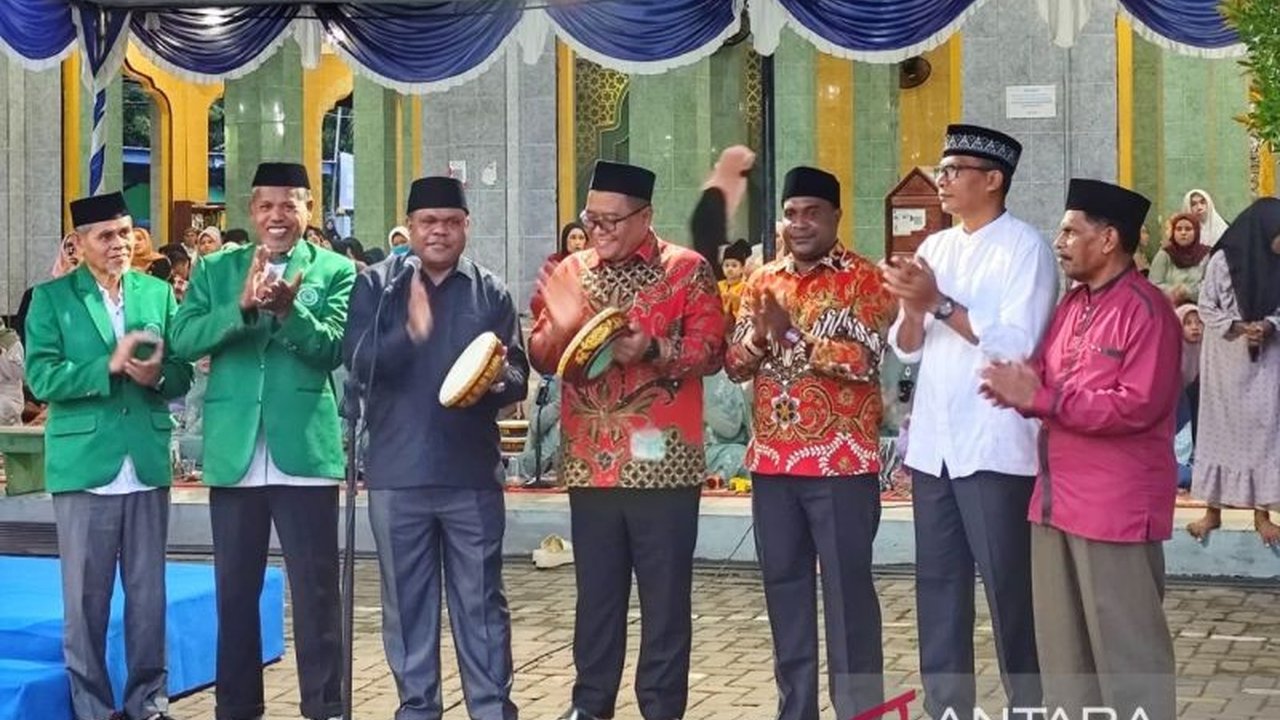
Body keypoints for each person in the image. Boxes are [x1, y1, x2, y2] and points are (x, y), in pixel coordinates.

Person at [528, 159, 728, 720]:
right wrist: (558, 328)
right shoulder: (571, 271)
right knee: (597, 598)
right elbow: (542, 359)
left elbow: (714, 351)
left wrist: (654, 350)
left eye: (613, 221)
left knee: (664, 601)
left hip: (664, 464)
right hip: (592, 463)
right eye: (593, 220)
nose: (601, 231)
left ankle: (661, 709)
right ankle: (589, 707)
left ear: (646, 217)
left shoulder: (687, 271)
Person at [981, 178, 1181, 720]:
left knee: (1128, 657)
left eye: (1071, 230)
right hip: (1054, 506)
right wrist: (1015, 386)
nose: (1060, 241)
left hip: (1114, 510)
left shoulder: (1149, 311)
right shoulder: (1071, 307)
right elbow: (1044, 381)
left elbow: (1135, 406)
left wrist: (1041, 396)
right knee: (1064, 658)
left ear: (1110, 238)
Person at [882, 124, 1056, 718]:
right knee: (938, 589)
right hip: (935, 446)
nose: (943, 180)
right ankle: (946, 706)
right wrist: (911, 305)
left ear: (993, 179)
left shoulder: (1024, 247)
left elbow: (1015, 343)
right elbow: (908, 348)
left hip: (995, 447)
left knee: (1010, 588)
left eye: (954, 170)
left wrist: (938, 303)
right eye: (942, 169)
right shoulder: (936, 248)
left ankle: (1028, 705)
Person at [171, 162, 354, 720]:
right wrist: (242, 308)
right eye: (267, 206)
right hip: (235, 454)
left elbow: (332, 349)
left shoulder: (336, 270)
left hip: (303, 451)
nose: (278, 216)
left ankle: (325, 708)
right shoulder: (217, 269)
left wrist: (290, 311)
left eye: (290, 204)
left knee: (317, 594)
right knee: (234, 593)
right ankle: (237, 707)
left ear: (308, 208)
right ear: (251, 212)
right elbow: (181, 339)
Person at [343, 176, 527, 720]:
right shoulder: (377, 288)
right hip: (397, 476)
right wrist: (410, 332)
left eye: (451, 222)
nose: (440, 232)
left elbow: (517, 372)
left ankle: (492, 709)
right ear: (409, 228)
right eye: (429, 222)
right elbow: (357, 365)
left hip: (470, 475)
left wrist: (496, 382)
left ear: (466, 226)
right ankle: (417, 708)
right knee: (407, 607)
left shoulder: (489, 291)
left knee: (480, 603)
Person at [725, 166, 896, 718]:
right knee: (784, 591)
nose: (799, 224)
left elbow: (864, 359)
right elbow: (732, 365)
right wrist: (756, 335)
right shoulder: (760, 280)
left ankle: (857, 710)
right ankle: (794, 709)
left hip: (841, 465)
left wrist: (792, 335)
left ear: (835, 216)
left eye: (811, 213)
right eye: (791, 213)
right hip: (774, 466)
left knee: (848, 596)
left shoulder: (865, 280)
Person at [25, 191, 193, 720]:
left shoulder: (157, 293)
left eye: (125, 232)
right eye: (106, 236)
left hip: (143, 461)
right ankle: (92, 706)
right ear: (77, 245)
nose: (120, 244)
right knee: (85, 602)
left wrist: (157, 375)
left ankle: (149, 701)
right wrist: (109, 367)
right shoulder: (51, 299)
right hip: (86, 467)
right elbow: (41, 377)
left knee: (148, 598)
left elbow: (182, 372)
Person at [1186, 198, 1280, 546]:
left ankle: (1263, 515)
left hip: (1267, 360)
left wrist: (1269, 325)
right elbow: (1207, 306)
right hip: (1226, 360)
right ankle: (1212, 512)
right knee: (1219, 428)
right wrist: (1241, 328)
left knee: (1265, 430)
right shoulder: (1223, 260)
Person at [530, 221, 589, 320]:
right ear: (565, 241)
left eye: (581, 238)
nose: (577, 242)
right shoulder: (555, 262)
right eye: (573, 238)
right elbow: (540, 297)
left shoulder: (591, 263)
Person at [1149, 212, 1210, 305]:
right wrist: (1173, 291)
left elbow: (1211, 286)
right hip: (1168, 307)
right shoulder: (1164, 254)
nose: (1183, 232)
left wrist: (1188, 292)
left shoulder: (1206, 254)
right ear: (1173, 232)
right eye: (1178, 229)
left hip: (1199, 309)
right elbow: (1152, 285)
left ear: (1196, 232)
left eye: (1188, 229)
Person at [717, 238, 752, 319]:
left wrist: (734, 299)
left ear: (742, 268)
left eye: (734, 265)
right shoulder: (718, 285)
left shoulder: (746, 287)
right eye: (726, 265)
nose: (730, 269)